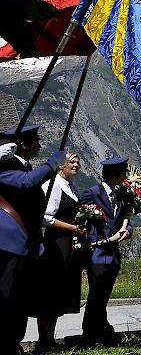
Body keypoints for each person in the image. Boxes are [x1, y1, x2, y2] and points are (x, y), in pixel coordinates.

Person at [0, 127, 66, 355]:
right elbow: (27, 182)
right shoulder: (6, 166)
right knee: (7, 298)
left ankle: (13, 342)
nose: (39, 145)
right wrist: (51, 165)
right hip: (9, 242)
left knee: (19, 299)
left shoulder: (21, 164)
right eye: (35, 141)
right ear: (24, 145)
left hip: (25, 242)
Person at [30, 152, 86, 352]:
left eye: (78, 162)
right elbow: (46, 217)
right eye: (72, 162)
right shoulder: (53, 185)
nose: (76, 165)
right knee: (48, 293)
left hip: (68, 244)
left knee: (58, 294)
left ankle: (51, 339)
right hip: (54, 244)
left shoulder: (73, 187)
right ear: (61, 165)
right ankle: (43, 340)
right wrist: (72, 229)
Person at [79, 156, 133, 344]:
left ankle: (98, 331)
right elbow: (80, 217)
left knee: (103, 294)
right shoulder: (92, 193)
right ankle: (94, 333)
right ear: (115, 175)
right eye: (123, 173)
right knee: (96, 293)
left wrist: (128, 230)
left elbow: (124, 219)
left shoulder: (121, 195)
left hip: (114, 252)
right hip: (97, 252)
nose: (125, 176)